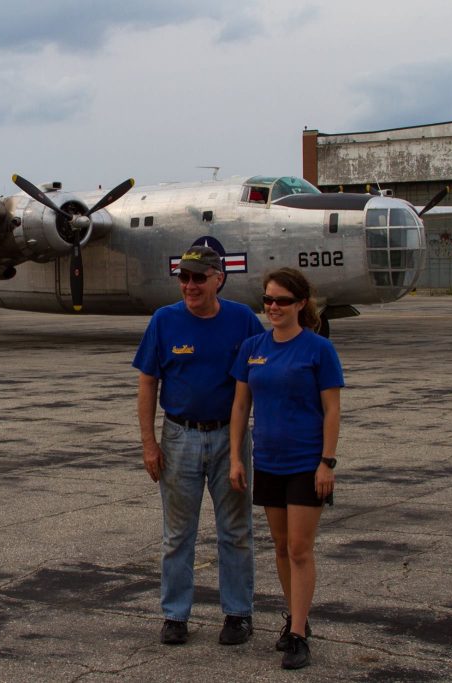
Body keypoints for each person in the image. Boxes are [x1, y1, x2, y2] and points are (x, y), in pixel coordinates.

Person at [133, 245, 266, 646]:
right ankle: (175, 616)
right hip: (179, 437)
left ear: (218, 279)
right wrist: (149, 443)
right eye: (184, 278)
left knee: (236, 530)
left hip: (231, 437)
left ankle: (238, 614)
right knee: (177, 534)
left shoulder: (243, 320)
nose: (189, 286)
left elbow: (266, 368)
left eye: (198, 278)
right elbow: (147, 382)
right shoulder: (164, 321)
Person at [228, 267, 343, 669]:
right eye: (268, 300)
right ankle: (297, 619)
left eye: (281, 301)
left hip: (306, 463)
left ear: (300, 304)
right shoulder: (253, 347)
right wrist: (236, 457)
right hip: (269, 461)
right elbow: (241, 406)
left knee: (299, 549)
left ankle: (297, 635)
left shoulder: (318, 349)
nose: (273, 307)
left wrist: (327, 462)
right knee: (279, 547)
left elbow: (332, 410)